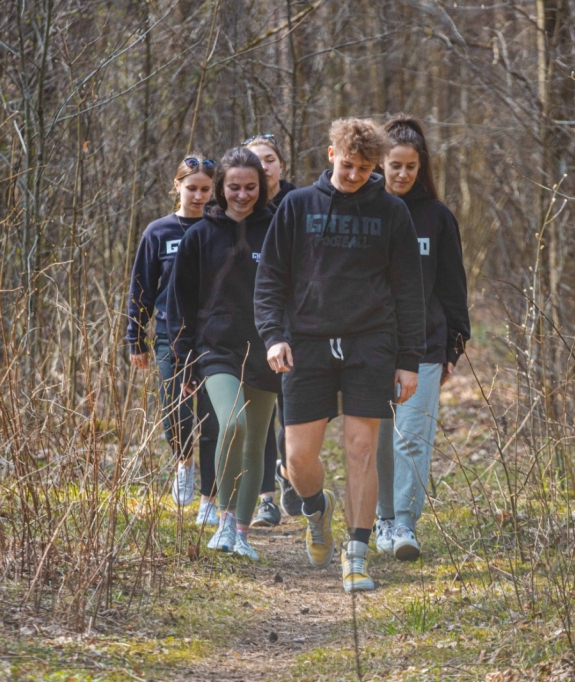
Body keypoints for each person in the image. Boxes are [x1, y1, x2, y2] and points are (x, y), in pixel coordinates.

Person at [255, 118, 425, 592]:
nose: (354, 175)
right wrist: (274, 336)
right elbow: (269, 279)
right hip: (306, 341)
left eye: (365, 168)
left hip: (370, 341)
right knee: (298, 458)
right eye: (348, 165)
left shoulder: (391, 212)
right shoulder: (296, 206)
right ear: (331, 155)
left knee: (361, 449)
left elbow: (409, 291)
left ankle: (356, 553)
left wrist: (409, 359)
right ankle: (318, 507)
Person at [168, 147, 279, 560]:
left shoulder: (275, 230)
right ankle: (223, 520)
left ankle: (240, 532)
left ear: (262, 187)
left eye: (251, 187)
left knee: (255, 441)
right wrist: (183, 359)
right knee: (232, 424)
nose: (243, 195)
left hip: (267, 349)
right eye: (234, 187)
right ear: (220, 188)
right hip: (216, 348)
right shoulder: (200, 235)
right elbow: (183, 300)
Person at [374, 116, 470, 561]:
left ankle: (404, 525)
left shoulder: (437, 217)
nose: (403, 174)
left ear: (421, 167)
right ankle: (380, 520)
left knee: (411, 437)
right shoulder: (365, 211)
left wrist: (454, 345)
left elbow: (453, 285)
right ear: (381, 163)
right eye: (395, 165)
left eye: (411, 166)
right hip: (369, 345)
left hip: (426, 345)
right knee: (377, 436)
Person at [125, 155, 220, 527]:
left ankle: (209, 500)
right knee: (174, 410)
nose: (198, 196)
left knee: (212, 418)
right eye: (191, 188)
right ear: (177, 187)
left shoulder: (219, 228)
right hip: (168, 333)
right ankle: (184, 462)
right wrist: (136, 338)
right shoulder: (159, 232)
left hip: (213, 337)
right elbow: (141, 288)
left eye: (205, 189)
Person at [243, 134, 297, 527]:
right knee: (258, 414)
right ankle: (265, 499)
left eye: (270, 159)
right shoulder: (238, 208)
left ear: (281, 165)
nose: (263, 166)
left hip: (296, 321)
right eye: (255, 160)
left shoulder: (300, 204)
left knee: (291, 411)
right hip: (253, 323)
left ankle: (287, 466)